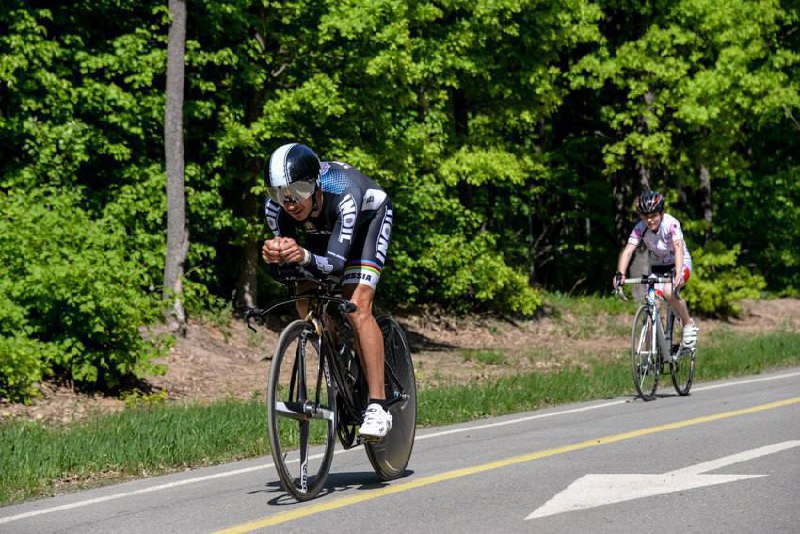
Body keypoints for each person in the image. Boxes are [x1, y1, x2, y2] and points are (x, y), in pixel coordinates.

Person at [261, 142, 394, 439]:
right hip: (322, 234)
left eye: (299, 190)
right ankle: (338, 358)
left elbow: (335, 266)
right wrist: (274, 257)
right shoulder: (275, 209)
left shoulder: (343, 193)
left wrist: (301, 255)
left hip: (365, 225)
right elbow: (288, 273)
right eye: (279, 193)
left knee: (356, 306)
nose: (290, 202)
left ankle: (378, 406)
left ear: (315, 183)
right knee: (303, 301)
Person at [613, 190, 698, 350]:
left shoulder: (671, 224)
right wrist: (620, 274)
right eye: (645, 216)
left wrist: (678, 273)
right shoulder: (640, 228)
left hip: (680, 263)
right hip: (658, 267)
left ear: (662, 212)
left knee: (669, 291)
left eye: (653, 215)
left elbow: (678, 248)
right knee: (652, 303)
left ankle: (688, 323)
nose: (649, 220)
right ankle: (650, 352)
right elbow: (628, 250)